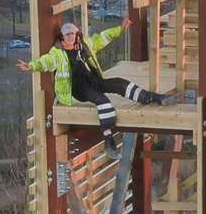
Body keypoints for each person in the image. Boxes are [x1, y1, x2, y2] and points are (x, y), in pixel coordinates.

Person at [18, 19, 166, 156]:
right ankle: (109, 140)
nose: (71, 37)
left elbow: (101, 38)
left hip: (92, 80)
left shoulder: (83, 45)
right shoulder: (57, 53)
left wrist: (120, 29)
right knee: (103, 101)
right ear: (62, 37)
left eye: (74, 34)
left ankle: (151, 97)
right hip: (78, 88)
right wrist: (31, 66)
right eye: (68, 34)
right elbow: (46, 62)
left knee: (119, 83)